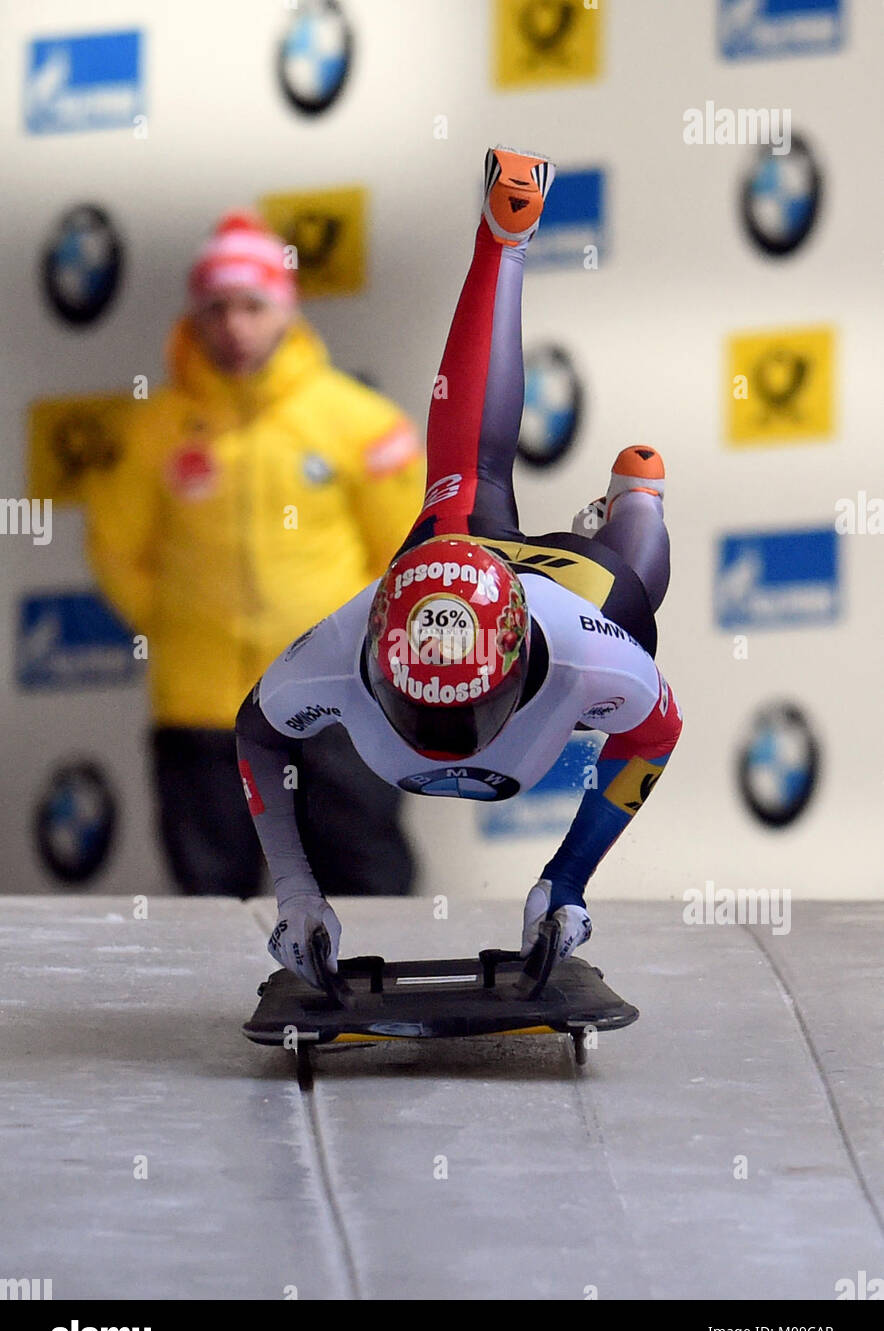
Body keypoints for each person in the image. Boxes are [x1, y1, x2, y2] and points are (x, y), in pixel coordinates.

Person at [235, 147, 683, 987]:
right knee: (463, 479)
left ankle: (639, 497)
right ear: (374, 659)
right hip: (454, 557)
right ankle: (501, 239)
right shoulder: (330, 651)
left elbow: (656, 733)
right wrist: (296, 893)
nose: (442, 746)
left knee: (633, 586)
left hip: (560, 588)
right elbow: (253, 734)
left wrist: (567, 880)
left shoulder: (592, 650)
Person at [85, 210, 424, 898]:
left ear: (285, 311)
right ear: (196, 316)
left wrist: (355, 647)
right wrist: (177, 626)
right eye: (216, 308)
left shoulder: (360, 423)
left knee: (368, 892)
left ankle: (379, 1010)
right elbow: (115, 548)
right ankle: (213, 1013)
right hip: (201, 712)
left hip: (339, 705)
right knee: (212, 903)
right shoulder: (152, 431)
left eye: (252, 305)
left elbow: (412, 555)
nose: (234, 326)